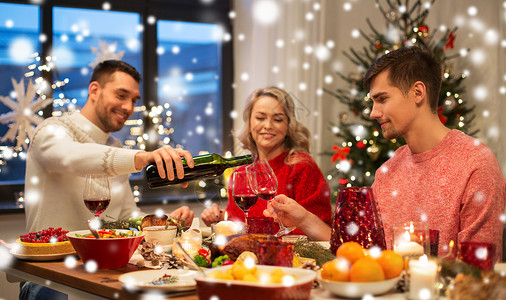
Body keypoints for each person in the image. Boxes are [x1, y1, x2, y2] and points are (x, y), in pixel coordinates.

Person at [265, 46, 505, 262]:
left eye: (382, 99)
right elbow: (360, 253)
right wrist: (303, 219)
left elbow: (479, 273)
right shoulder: (388, 170)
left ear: (418, 92)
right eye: (372, 101)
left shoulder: (476, 164)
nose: (372, 112)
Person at [21, 60, 197, 299]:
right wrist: (142, 157)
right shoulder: (51, 130)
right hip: (51, 276)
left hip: (101, 274)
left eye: (134, 100)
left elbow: (124, 218)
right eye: (121, 95)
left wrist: (160, 223)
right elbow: (70, 157)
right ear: (94, 90)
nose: (128, 106)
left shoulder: (115, 148)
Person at [200, 86, 332, 236]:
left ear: (288, 125)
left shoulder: (302, 166)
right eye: (260, 118)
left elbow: (325, 235)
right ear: (249, 123)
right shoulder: (241, 173)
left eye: (277, 119)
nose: (268, 126)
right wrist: (217, 219)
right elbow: (237, 228)